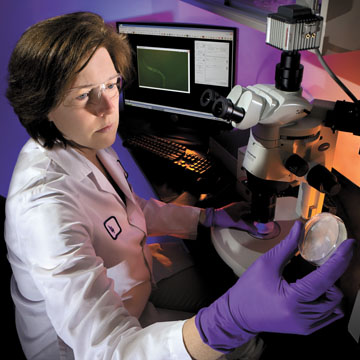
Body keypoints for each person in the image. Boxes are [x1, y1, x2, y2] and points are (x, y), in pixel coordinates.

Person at [4, 12, 355, 360]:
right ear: (43, 105)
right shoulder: (43, 209)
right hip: (88, 347)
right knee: (245, 344)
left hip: (132, 280)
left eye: (110, 85)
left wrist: (208, 218)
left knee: (218, 292)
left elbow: (129, 210)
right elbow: (108, 351)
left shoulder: (82, 140)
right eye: (84, 95)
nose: (108, 107)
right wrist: (230, 319)